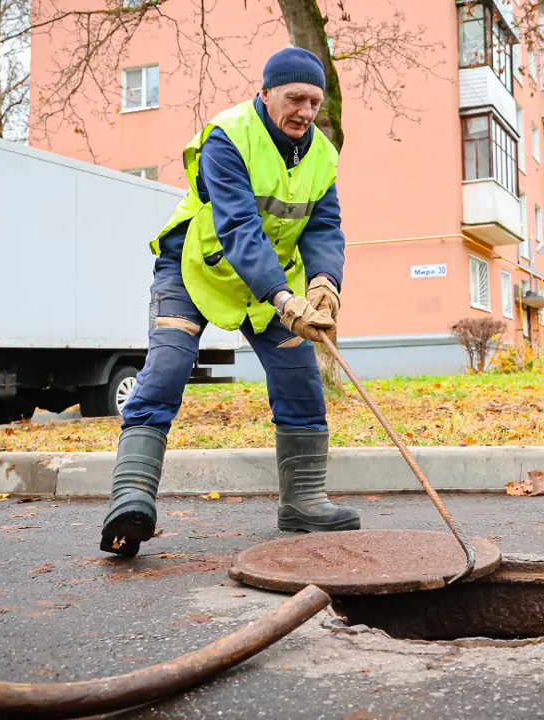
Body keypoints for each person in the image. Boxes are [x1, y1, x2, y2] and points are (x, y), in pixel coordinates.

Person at [99, 47, 360, 557]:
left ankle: (303, 502)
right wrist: (284, 296)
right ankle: (130, 499)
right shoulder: (227, 135)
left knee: (300, 379)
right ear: (265, 94)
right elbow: (238, 226)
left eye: (315, 102)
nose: (306, 112)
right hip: (198, 266)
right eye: (295, 98)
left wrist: (325, 283)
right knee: (169, 365)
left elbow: (324, 225)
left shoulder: (323, 154)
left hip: (266, 283)